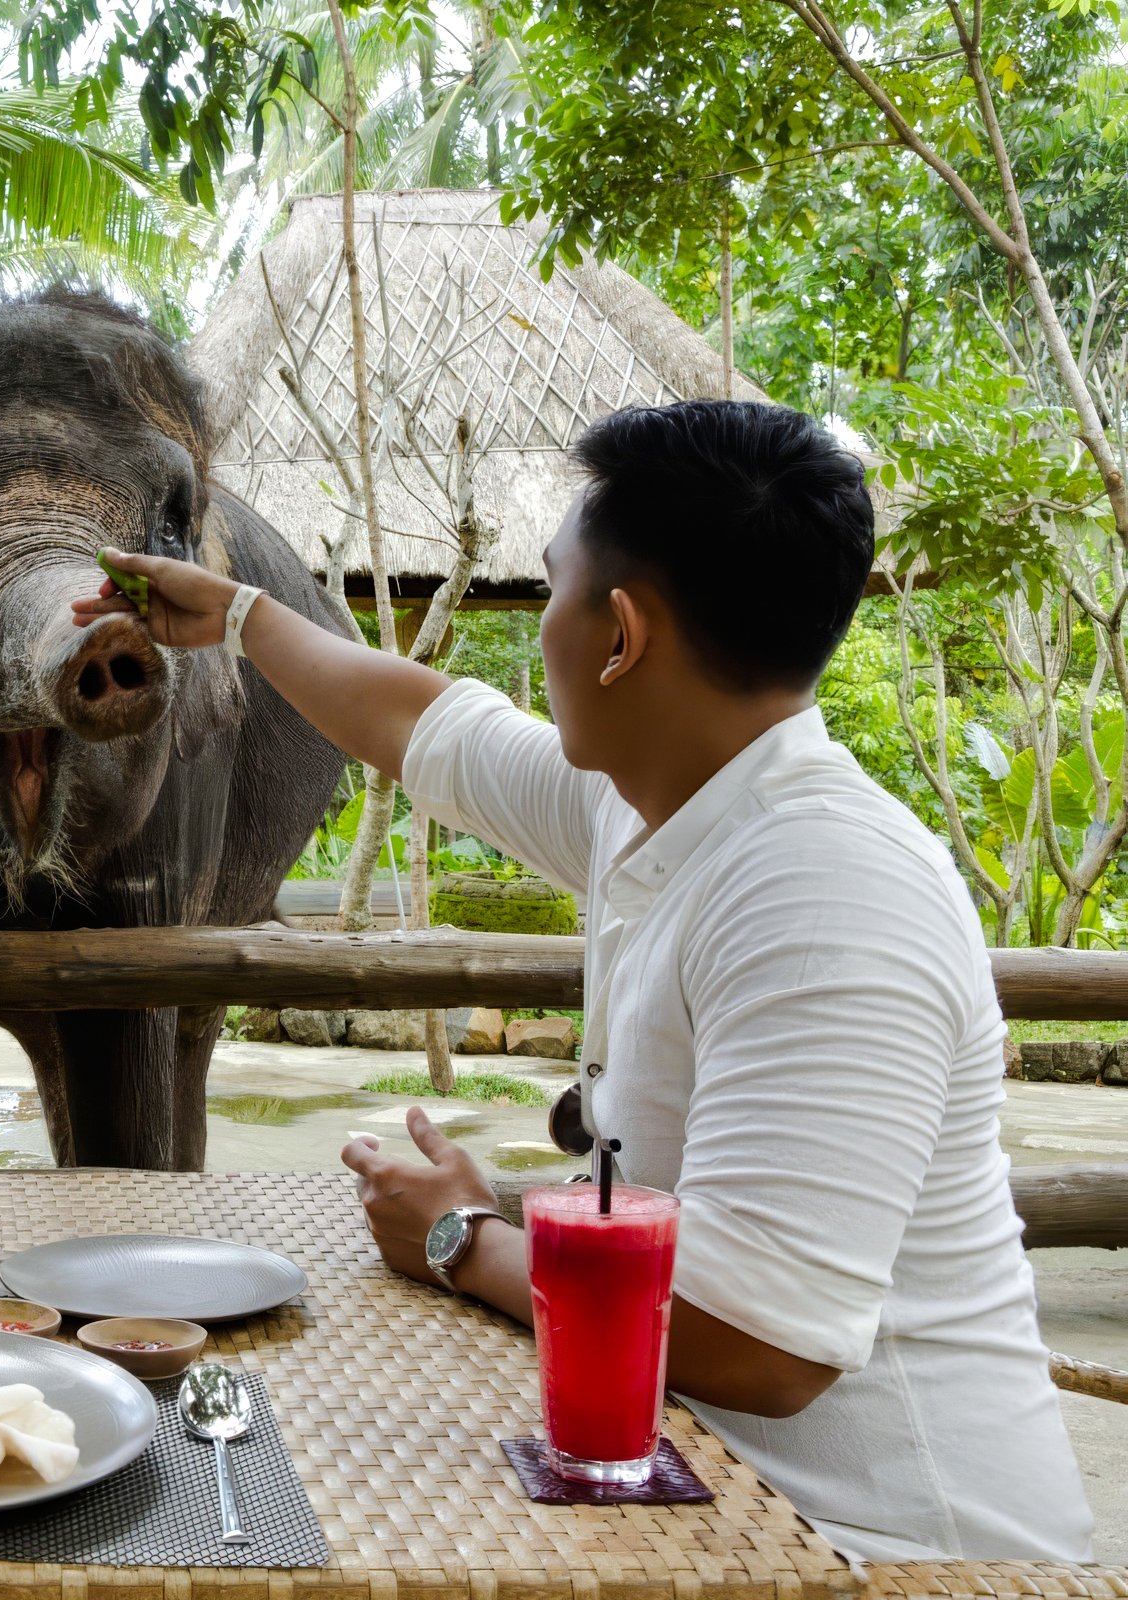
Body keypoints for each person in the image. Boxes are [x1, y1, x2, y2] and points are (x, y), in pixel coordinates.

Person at [75, 400, 1093, 1563]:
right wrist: (242, 617)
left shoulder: (827, 890)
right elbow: (421, 721)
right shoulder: (660, 799)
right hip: (683, 1486)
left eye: (551, 585)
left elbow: (762, 1344)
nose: (541, 616)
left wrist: (464, 1238)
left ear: (619, 636)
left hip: (886, 1550)